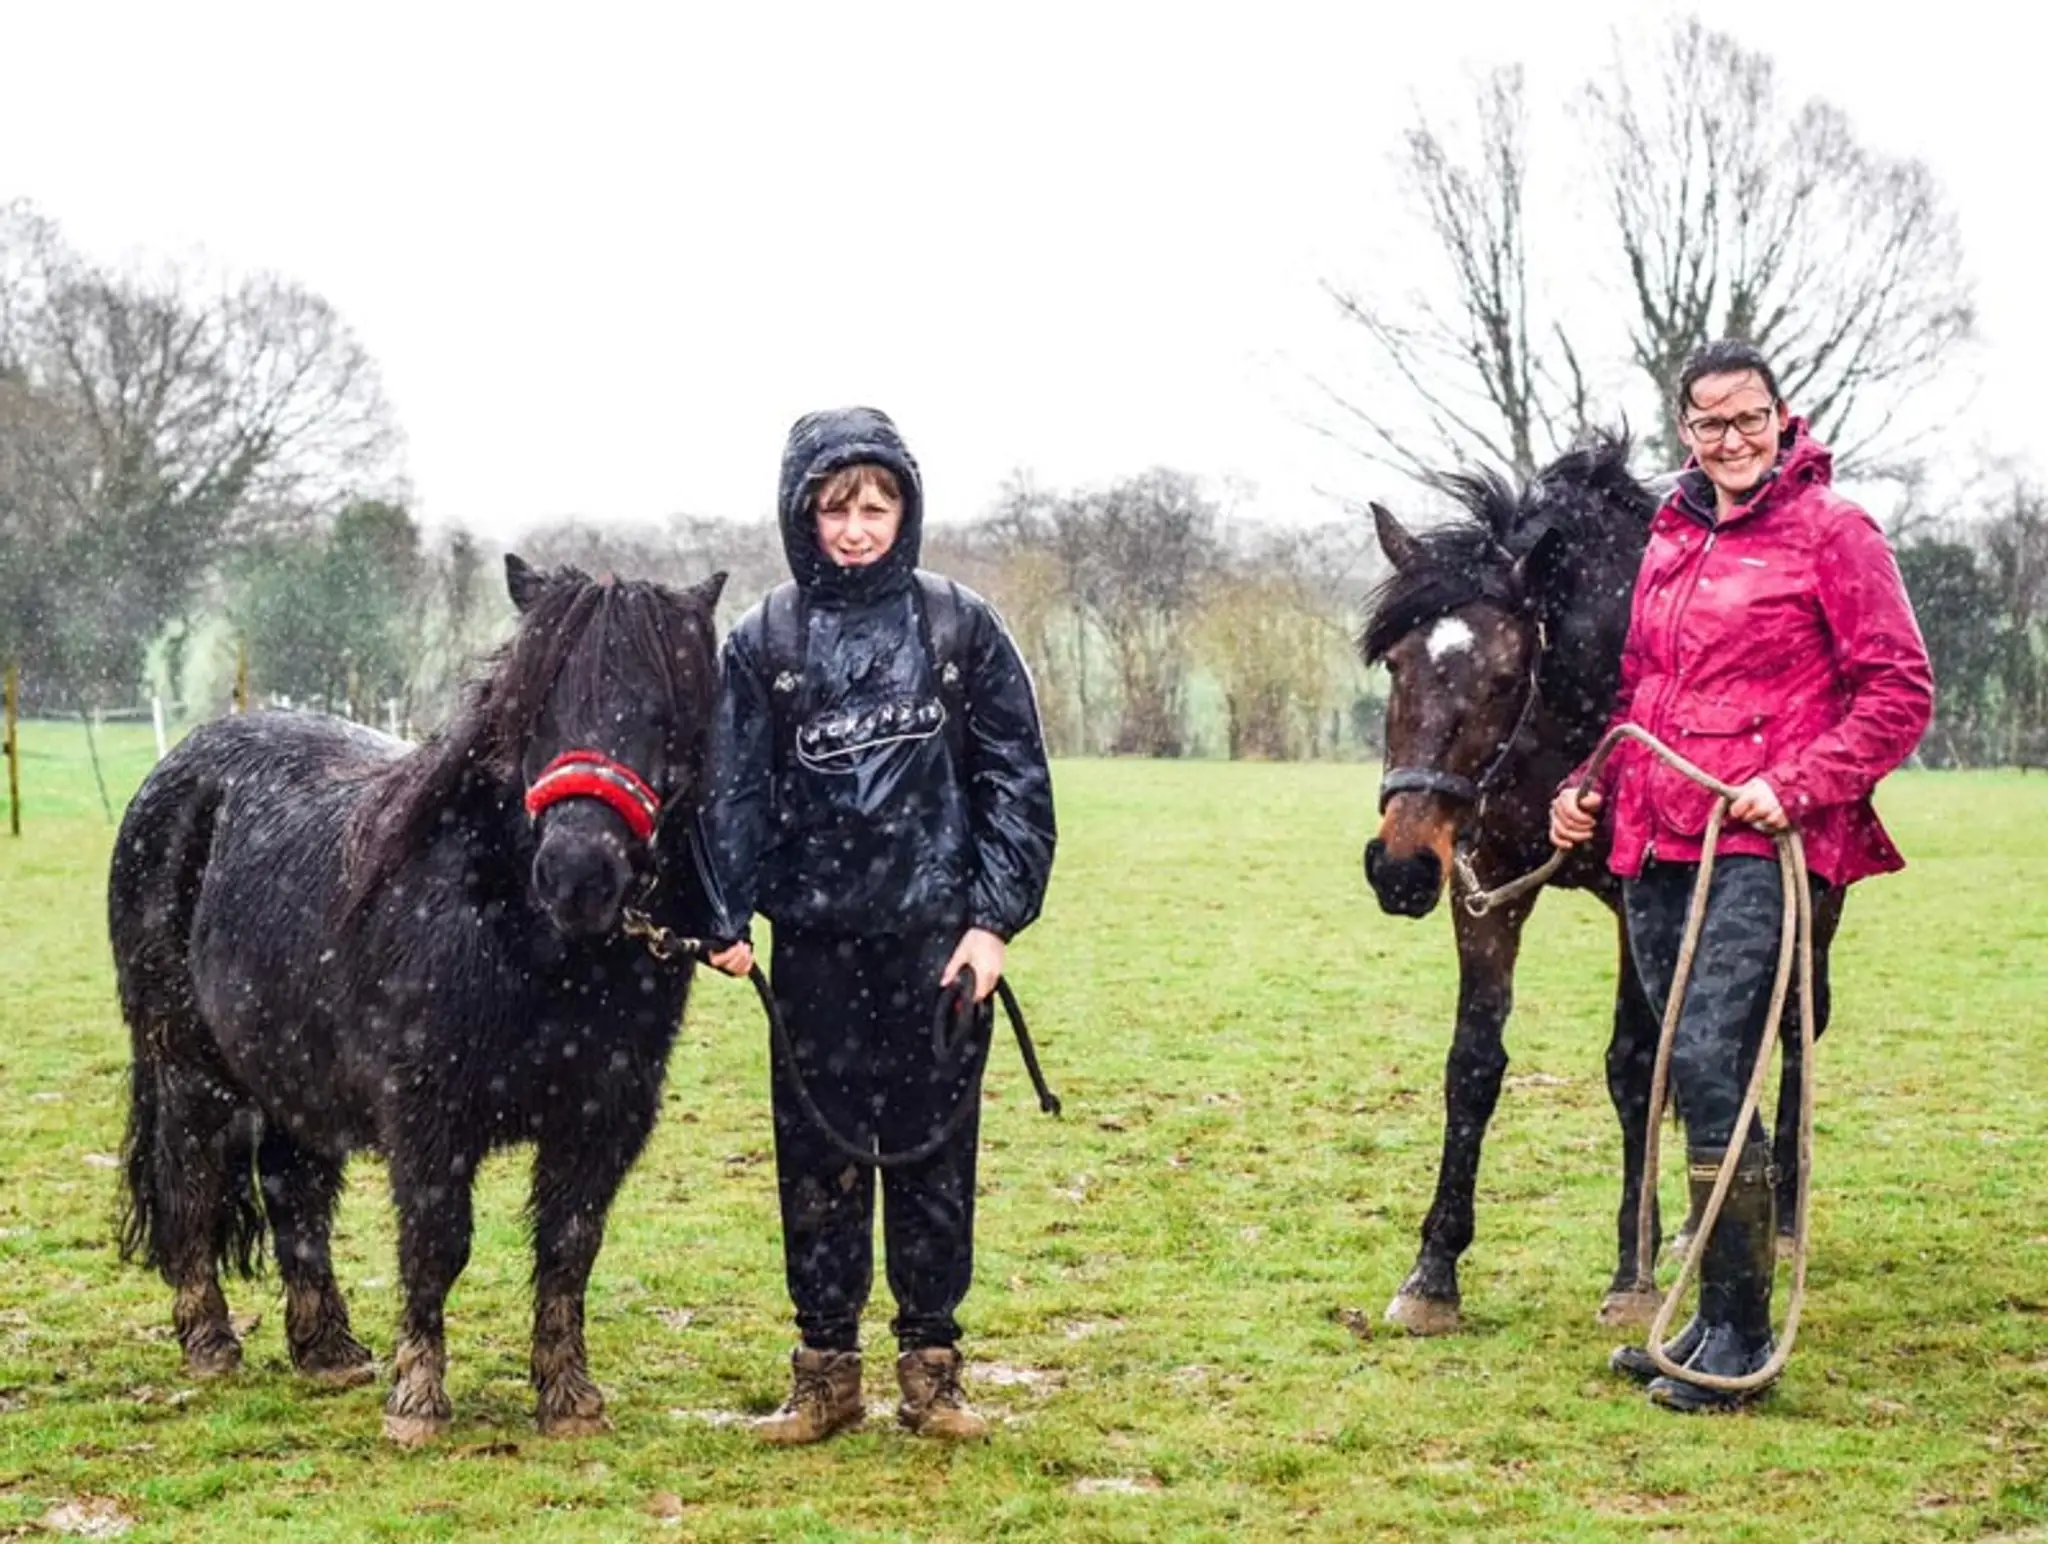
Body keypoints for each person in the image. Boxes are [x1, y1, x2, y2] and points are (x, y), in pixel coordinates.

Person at [1550, 339, 1934, 1413]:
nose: (1729, 440)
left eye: (1747, 419)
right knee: (1687, 1070)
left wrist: (1799, 782)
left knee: (1716, 1064)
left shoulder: (1833, 531)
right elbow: (1641, 687)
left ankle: (1743, 1335)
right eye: (1708, 423)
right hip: (1653, 837)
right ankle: (1713, 1316)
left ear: (1779, 417)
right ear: (1685, 429)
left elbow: (1897, 690)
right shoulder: (1670, 533)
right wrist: (1586, 783)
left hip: (1762, 843)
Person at [698, 405, 1057, 1444]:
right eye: (834, 506)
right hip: (810, 949)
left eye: (875, 503)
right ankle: (824, 1371)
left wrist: (992, 922)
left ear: (904, 506)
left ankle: (931, 1369)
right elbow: (732, 794)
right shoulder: (761, 642)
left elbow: (1014, 785)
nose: (856, 526)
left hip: (937, 948)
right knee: (816, 1155)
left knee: (931, 1157)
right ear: (800, 513)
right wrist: (725, 911)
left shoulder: (959, 628)